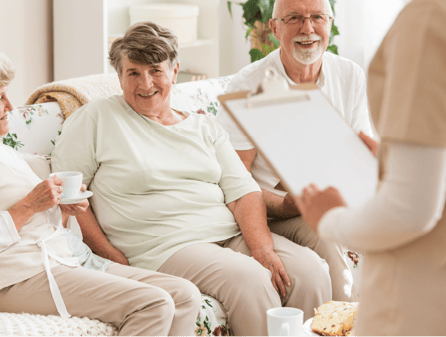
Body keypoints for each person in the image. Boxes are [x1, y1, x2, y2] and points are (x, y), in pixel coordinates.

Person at [51, 21, 331, 336]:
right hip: (164, 245)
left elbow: (243, 193)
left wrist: (263, 249)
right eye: (133, 73)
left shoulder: (203, 126)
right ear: (119, 77)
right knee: (251, 280)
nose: (146, 84)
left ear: (175, 71)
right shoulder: (97, 118)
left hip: (227, 233)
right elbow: (69, 194)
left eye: (156, 70)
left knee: (310, 272)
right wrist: (109, 254)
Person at [295, 0, 446, 335]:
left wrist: (329, 219)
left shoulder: (437, 16)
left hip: (430, 287)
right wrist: (396, 158)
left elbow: (410, 209)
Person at [0, 49, 202, 336]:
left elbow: (38, 226)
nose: (11, 105)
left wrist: (61, 210)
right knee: (152, 304)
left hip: (60, 256)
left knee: (184, 294)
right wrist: (28, 207)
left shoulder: (5, 154)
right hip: (8, 275)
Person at [216, 0, 373, 301]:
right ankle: (344, 326)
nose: (308, 29)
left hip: (332, 198)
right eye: (294, 18)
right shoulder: (249, 85)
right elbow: (235, 181)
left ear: (331, 24)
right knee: (327, 235)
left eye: (318, 17)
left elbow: (361, 152)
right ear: (274, 28)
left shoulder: (350, 75)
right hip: (272, 209)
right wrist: (285, 205)